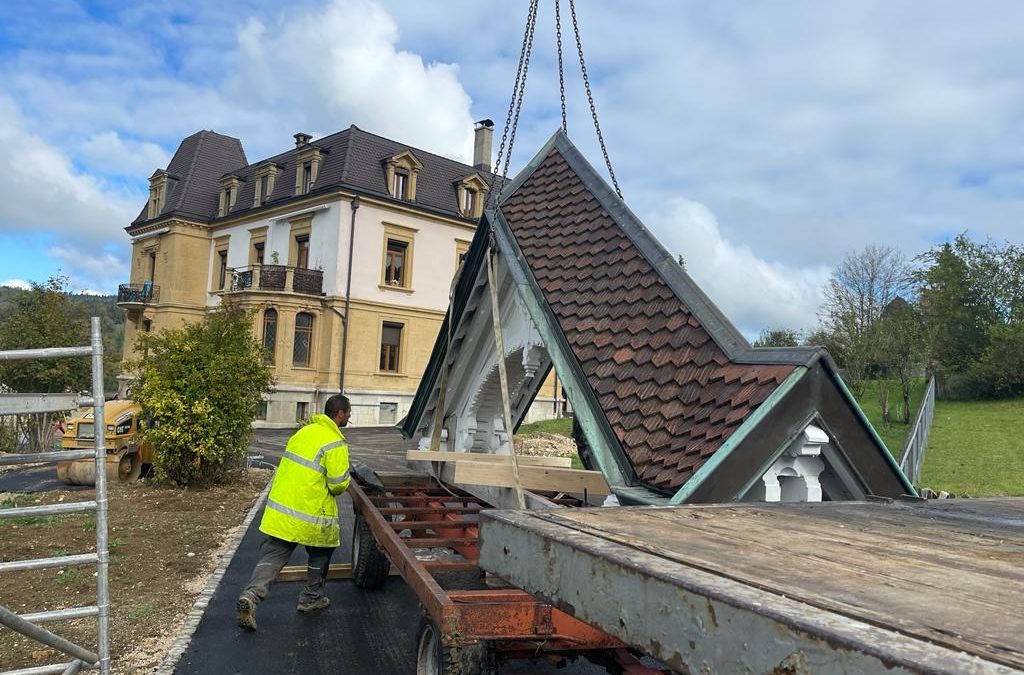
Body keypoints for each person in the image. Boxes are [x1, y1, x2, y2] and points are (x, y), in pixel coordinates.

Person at [236, 394, 352, 631]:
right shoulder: (335, 442)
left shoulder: (303, 433)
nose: (350, 416)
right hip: (311, 513)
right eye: (348, 412)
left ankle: (250, 596)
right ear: (340, 413)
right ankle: (310, 598)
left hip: (283, 509)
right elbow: (338, 484)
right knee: (321, 552)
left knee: (274, 555)